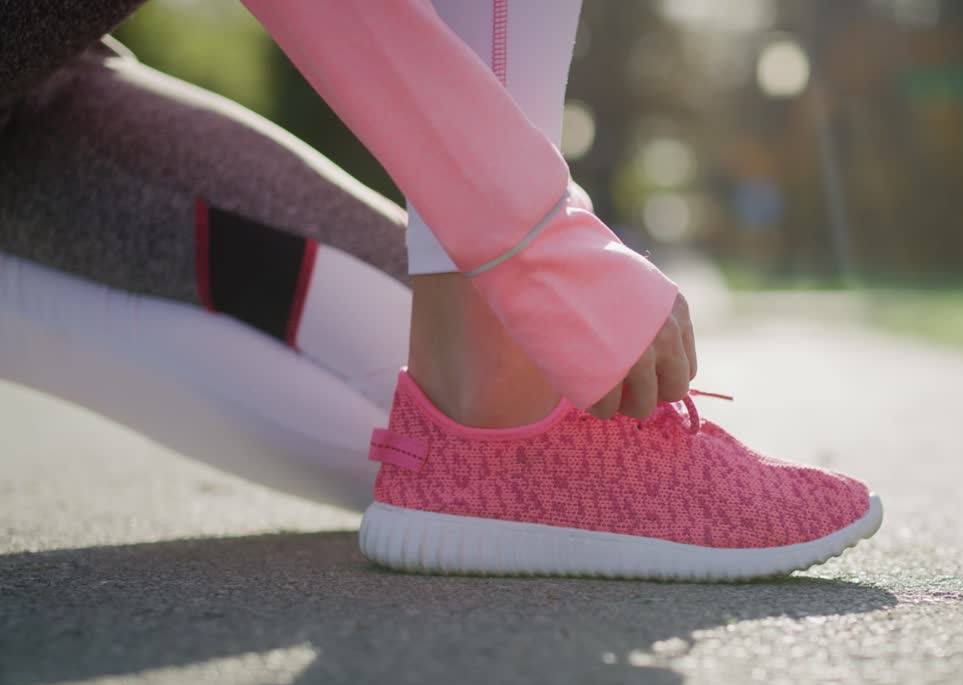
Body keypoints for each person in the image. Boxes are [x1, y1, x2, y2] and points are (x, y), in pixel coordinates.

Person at [0, 0, 881, 580]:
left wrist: (522, 272)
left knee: (442, 451)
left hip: (39, 93)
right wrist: (544, 249)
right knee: (466, 440)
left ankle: (499, 420)